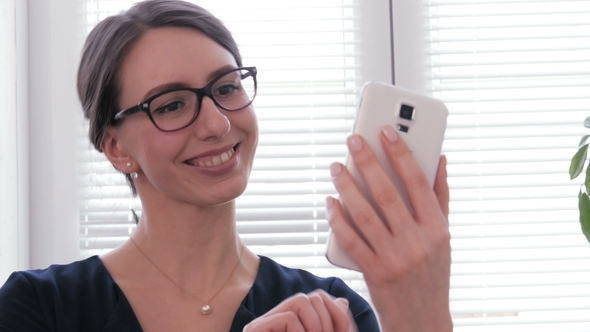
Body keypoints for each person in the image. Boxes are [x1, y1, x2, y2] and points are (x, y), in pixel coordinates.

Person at [0, 0, 452, 331]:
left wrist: (421, 316)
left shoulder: (333, 313)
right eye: (173, 104)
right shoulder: (39, 308)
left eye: (226, 87)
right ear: (116, 148)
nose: (217, 123)